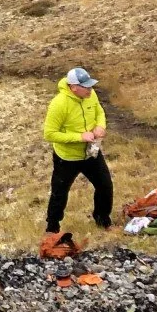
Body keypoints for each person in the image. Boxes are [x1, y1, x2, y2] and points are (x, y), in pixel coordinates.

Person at [43, 66, 113, 233]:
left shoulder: (91, 95)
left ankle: (103, 221)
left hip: (91, 153)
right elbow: (49, 134)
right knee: (59, 193)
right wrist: (79, 137)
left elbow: (99, 112)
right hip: (67, 158)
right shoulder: (58, 104)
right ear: (73, 87)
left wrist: (100, 126)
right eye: (85, 87)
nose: (90, 89)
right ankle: (52, 228)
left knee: (105, 186)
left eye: (90, 85)